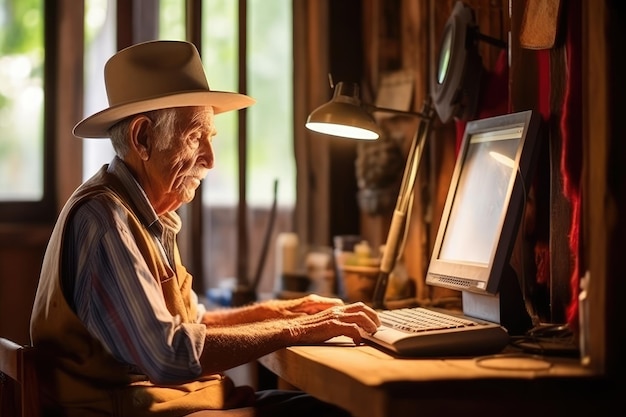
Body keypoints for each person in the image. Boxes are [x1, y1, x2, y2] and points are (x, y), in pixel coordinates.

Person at [30, 40, 380, 417]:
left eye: (210, 139)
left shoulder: (146, 215)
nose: (211, 160)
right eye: (195, 137)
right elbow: (168, 354)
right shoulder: (105, 220)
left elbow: (191, 325)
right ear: (143, 138)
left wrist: (287, 313)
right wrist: (295, 331)